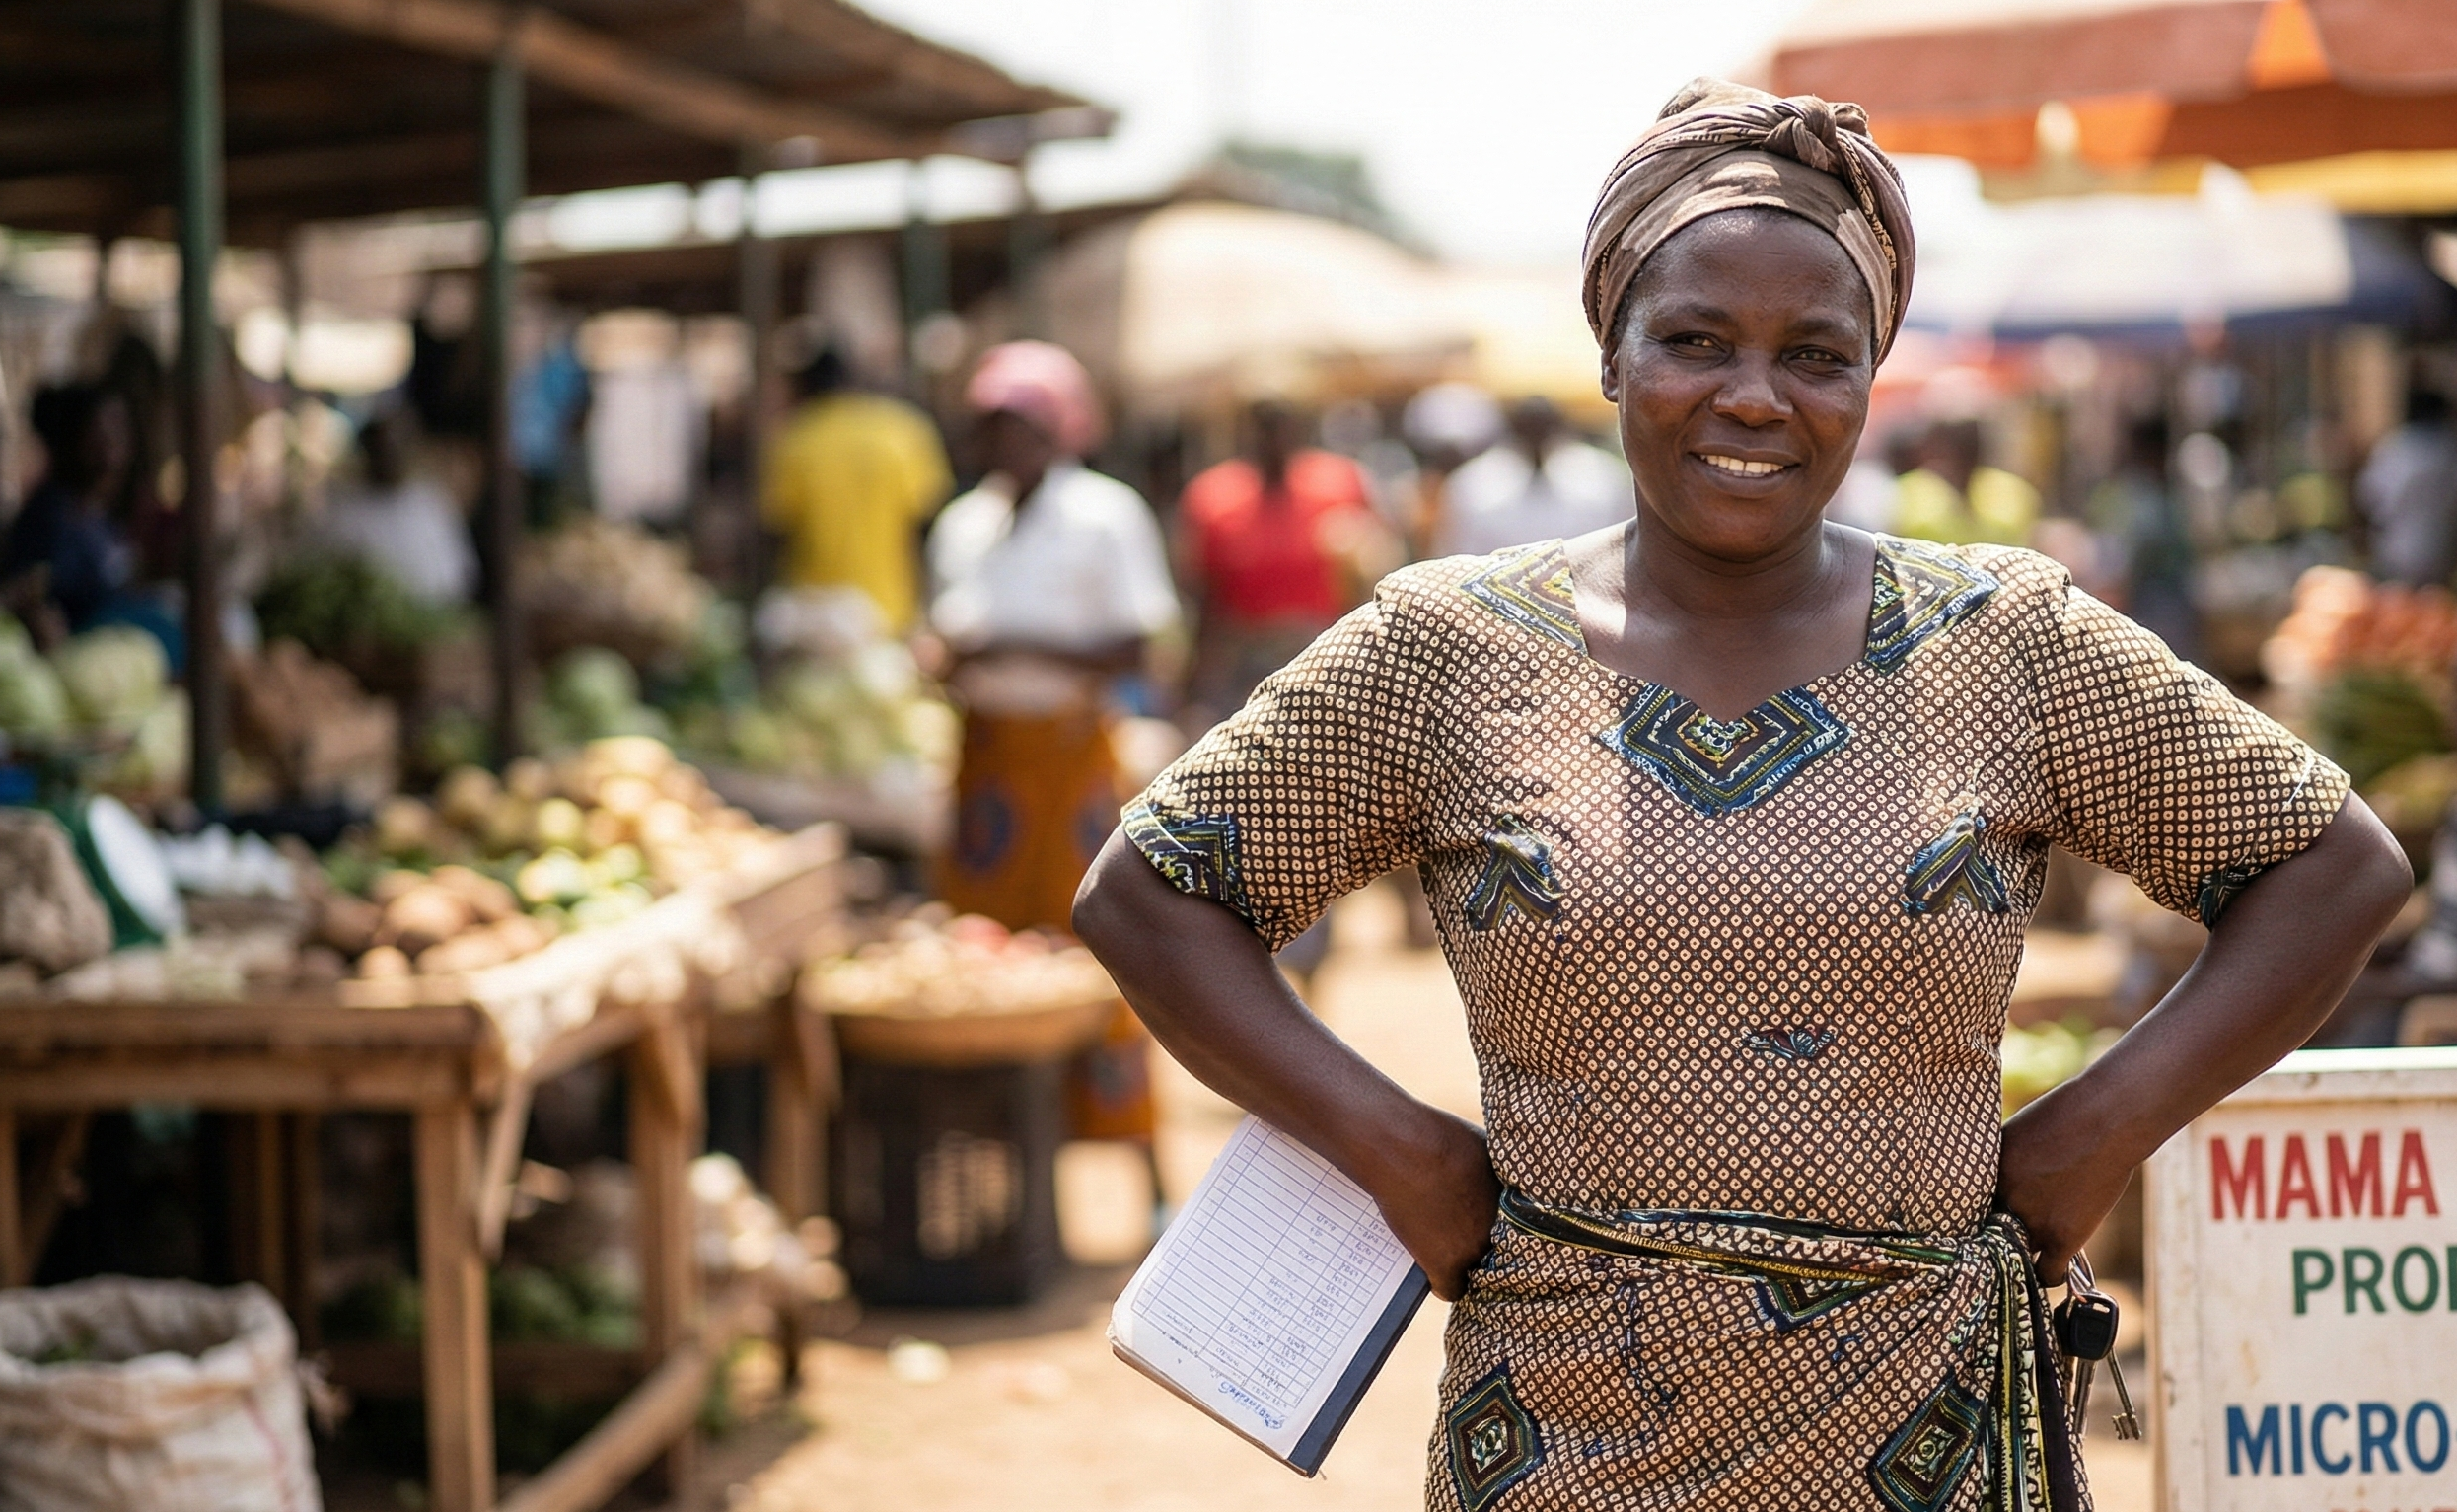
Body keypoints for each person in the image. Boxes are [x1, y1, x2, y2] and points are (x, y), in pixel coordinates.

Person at [1073, 78, 2408, 1510]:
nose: (1753, 397)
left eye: (1814, 353)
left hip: (1926, 1422)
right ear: (1610, 352)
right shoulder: (1445, 648)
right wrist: (1399, 1152)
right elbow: (1151, 893)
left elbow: (2330, 866)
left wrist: (2096, 1130)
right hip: (1562, 1424)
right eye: (1693, 340)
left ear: (1871, 372)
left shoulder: (2005, 639)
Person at [927, 340, 1180, 932]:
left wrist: (1013, 649)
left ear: (1057, 430)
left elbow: (1139, 649)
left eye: (1019, 428)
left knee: (1082, 915)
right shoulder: (964, 523)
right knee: (982, 921)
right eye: (990, 428)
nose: (1004, 444)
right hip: (986, 752)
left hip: (1070, 748)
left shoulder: (1105, 516)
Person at [1177, 399, 1394, 732]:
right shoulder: (1214, 497)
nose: (1272, 438)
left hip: (1328, 648)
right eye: (1262, 428)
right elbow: (1207, 597)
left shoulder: (1339, 484)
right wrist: (1195, 681)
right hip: (1248, 657)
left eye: (1278, 426)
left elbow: (1375, 572)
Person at [761, 346, 954, 632]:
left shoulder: (796, 438)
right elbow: (929, 521)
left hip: (818, 617)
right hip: (892, 608)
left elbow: (776, 530)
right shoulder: (904, 429)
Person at [2, 383, 138, 646]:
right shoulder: (49, 519)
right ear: (76, 439)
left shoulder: (100, 514)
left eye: (121, 430)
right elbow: (28, 594)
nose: (116, 444)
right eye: (104, 432)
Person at [315, 408, 477, 605]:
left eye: (396, 448)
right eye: (381, 450)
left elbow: (459, 575)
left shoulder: (429, 504)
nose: (389, 458)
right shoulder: (344, 507)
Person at [1438, 396, 1631, 557]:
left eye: (1541, 426)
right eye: (1529, 427)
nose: (1536, 435)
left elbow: (1619, 545)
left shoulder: (1603, 475)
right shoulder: (1473, 482)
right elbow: (1459, 552)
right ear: (1514, 428)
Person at [2355, 382, 2457, 588]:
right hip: (2441, 550)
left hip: (2397, 549)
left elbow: (2368, 497)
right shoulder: (2448, 448)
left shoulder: (2394, 448)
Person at [1895, 415, 2041, 546]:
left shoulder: (2013, 491)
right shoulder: (1910, 490)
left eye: (1968, 447)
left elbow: (2031, 543)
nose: (1961, 457)